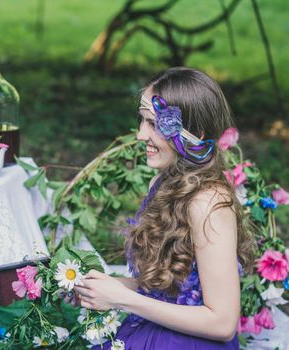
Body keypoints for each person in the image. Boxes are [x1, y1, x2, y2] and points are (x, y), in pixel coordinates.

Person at [75, 67, 255, 349]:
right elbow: (167, 290)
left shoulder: (208, 202)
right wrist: (103, 287)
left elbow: (222, 322)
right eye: (141, 121)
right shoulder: (163, 183)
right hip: (154, 327)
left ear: (195, 133)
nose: (139, 135)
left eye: (154, 124)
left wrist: (124, 300)